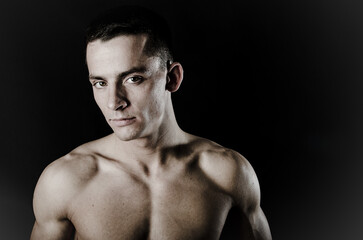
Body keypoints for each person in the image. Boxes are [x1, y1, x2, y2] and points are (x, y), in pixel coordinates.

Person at [30, 5, 272, 240]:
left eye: (133, 79)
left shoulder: (227, 173)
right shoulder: (64, 181)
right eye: (100, 83)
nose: (114, 102)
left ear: (172, 78)